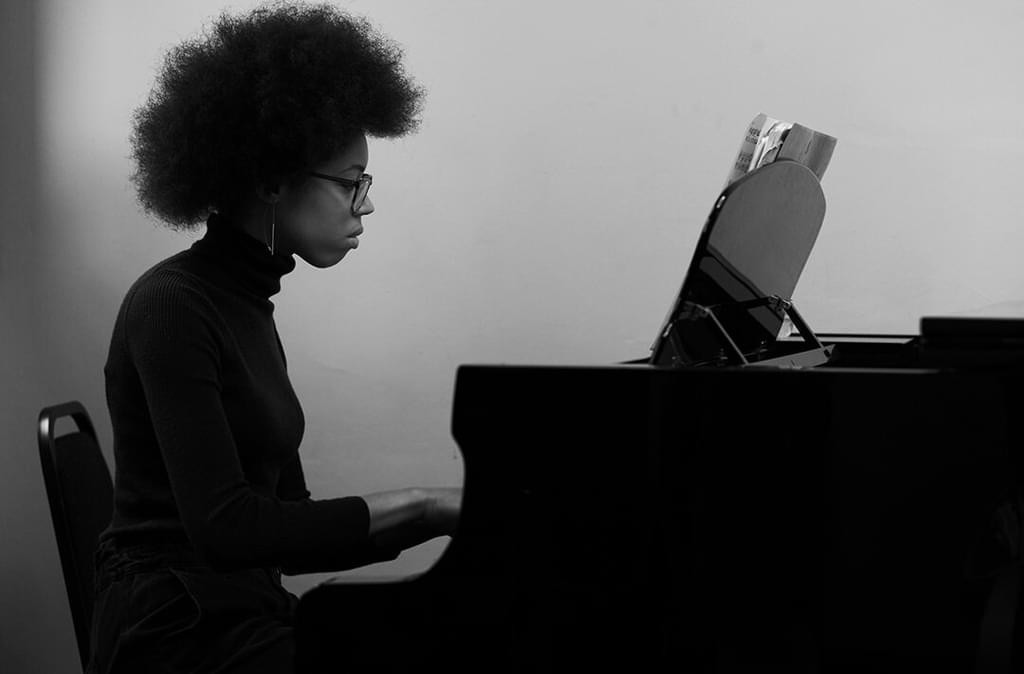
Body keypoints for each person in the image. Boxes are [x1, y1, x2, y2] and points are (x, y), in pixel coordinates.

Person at [89, 3, 461, 672]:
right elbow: (227, 529)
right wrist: (426, 503)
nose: (366, 203)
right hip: (173, 629)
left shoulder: (246, 303)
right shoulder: (172, 307)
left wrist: (440, 519)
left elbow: (286, 533)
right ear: (269, 179)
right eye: (352, 183)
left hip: (237, 606)